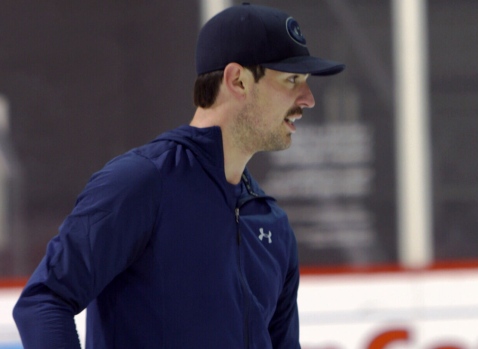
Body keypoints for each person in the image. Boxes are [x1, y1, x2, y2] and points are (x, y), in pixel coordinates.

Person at [12, 3, 344, 348]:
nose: (307, 99)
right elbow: (44, 301)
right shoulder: (142, 183)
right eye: (292, 80)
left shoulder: (272, 223)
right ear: (238, 80)